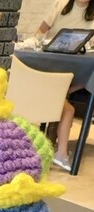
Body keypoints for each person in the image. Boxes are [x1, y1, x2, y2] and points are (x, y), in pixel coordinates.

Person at [35, 0, 94, 171]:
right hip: (50, 65)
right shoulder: (61, 5)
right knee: (68, 109)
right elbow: (40, 31)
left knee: (68, 106)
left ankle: (65, 92)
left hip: (74, 69)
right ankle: (60, 154)